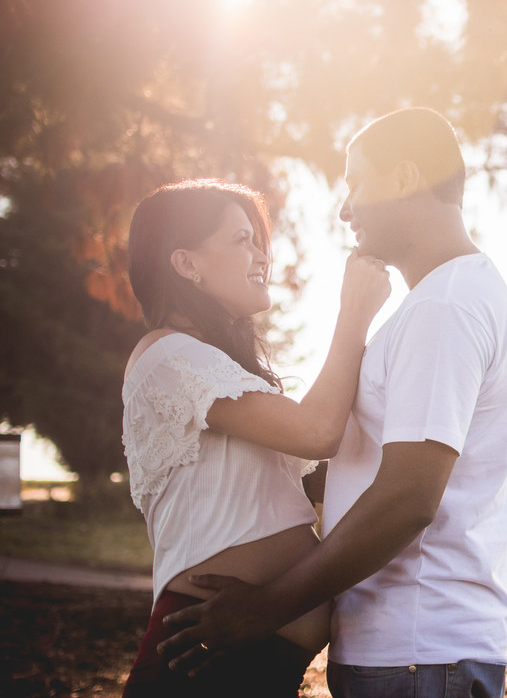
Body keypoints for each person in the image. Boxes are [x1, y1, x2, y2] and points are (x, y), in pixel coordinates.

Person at [160, 108, 507, 698]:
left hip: (417, 655)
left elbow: (408, 497)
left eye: (357, 182)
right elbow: (374, 475)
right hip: (411, 655)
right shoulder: (439, 304)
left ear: (405, 179)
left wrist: (263, 608)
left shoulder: (445, 308)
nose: (344, 208)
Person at [120, 178, 391, 697]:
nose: (260, 253)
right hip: (201, 662)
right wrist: (354, 312)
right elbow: (318, 432)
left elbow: (336, 478)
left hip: (258, 665)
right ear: (186, 263)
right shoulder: (167, 356)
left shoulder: (224, 374)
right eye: (241, 239)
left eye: (257, 240)